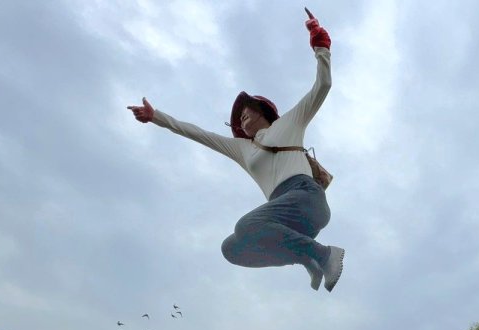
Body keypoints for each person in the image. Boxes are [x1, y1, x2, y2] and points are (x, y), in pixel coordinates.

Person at [128, 9, 344, 292]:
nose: (241, 119)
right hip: (284, 219)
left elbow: (323, 85)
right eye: (238, 117)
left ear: (263, 111)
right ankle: (308, 258)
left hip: (306, 199)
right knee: (232, 248)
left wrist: (320, 45)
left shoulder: (290, 123)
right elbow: (199, 134)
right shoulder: (242, 148)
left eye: (246, 112)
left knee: (246, 225)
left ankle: (325, 254)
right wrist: (157, 117)